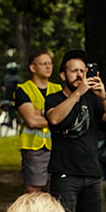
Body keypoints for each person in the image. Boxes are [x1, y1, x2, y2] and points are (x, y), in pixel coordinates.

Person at [44, 49, 106, 212]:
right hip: (65, 172)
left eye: (82, 71)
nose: (79, 75)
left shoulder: (93, 99)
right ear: (63, 75)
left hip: (91, 172)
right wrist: (77, 94)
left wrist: (103, 96)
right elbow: (55, 119)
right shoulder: (54, 99)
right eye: (74, 71)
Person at [14, 50, 62, 193]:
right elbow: (32, 121)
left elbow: (67, 116)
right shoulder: (23, 90)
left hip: (57, 147)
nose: (48, 67)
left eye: (50, 63)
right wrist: (55, 118)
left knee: (55, 189)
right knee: (33, 189)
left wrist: (39, 112)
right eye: (43, 64)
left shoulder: (58, 88)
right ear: (33, 68)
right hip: (34, 148)